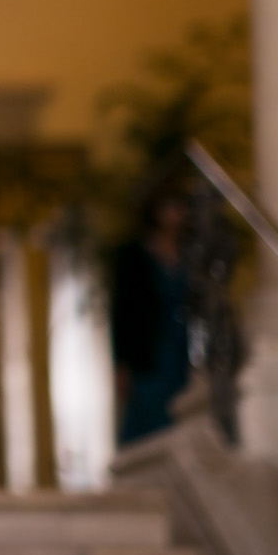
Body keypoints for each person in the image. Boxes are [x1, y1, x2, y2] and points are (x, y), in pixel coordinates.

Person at [112, 181, 192, 443]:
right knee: (149, 413)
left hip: (183, 347)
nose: (174, 214)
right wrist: (121, 363)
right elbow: (123, 312)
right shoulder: (134, 256)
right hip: (150, 350)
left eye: (179, 207)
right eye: (168, 207)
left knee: (182, 408)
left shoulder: (191, 254)